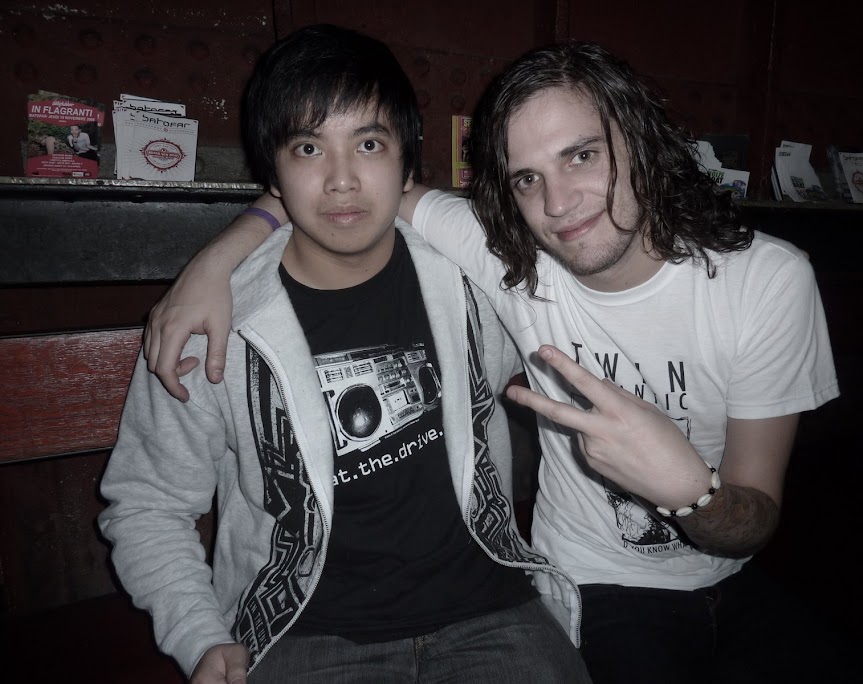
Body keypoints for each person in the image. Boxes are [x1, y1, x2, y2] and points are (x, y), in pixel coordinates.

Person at [141, 41, 863, 683]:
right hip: (393, 618)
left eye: (583, 156)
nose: (559, 204)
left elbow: (755, 516)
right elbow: (149, 503)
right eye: (527, 178)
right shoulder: (220, 321)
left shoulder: (749, 279)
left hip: (539, 605)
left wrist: (690, 492)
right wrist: (220, 257)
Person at [99, 25, 592, 684]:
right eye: (308, 148)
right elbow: (148, 503)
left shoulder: (475, 281)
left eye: (368, 143)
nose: (341, 180)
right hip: (305, 631)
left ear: (407, 165)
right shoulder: (213, 324)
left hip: (491, 607)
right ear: (273, 174)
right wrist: (198, 632)